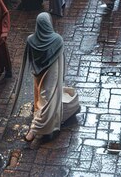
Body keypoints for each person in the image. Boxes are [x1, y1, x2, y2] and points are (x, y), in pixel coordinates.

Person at [20, 13, 80, 143]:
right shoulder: (57, 40)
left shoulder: (31, 40)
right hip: (52, 77)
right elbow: (61, 59)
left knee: (41, 100)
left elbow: (29, 59)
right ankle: (34, 130)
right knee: (48, 101)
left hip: (38, 75)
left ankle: (38, 128)